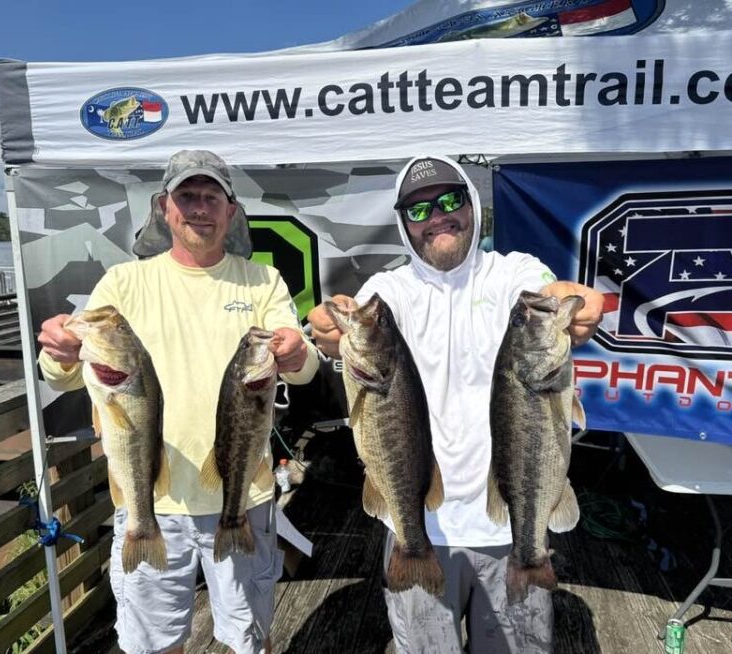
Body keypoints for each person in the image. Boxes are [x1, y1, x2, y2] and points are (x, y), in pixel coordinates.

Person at [307, 155, 604, 654]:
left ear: (472, 204)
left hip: (511, 525)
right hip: (418, 525)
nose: (438, 216)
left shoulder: (512, 273)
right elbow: (342, 319)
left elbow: (545, 292)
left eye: (450, 200)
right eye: (419, 209)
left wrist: (567, 297)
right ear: (403, 222)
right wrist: (328, 324)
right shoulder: (389, 290)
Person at [38, 150, 319, 654]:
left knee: (250, 638)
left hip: (243, 497)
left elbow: (301, 367)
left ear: (231, 212)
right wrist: (60, 353)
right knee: (153, 644)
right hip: (149, 500)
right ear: (164, 207)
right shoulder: (124, 284)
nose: (199, 208)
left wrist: (297, 355)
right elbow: (59, 376)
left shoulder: (262, 281)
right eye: (187, 196)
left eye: (212, 197)